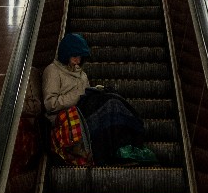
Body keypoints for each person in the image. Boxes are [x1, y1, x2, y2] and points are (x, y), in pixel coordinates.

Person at [42, 33, 154, 165]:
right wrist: (79, 95)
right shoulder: (53, 71)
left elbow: (86, 95)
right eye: (74, 56)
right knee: (110, 105)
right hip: (65, 116)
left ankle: (127, 146)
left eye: (80, 57)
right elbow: (50, 104)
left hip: (82, 110)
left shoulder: (81, 74)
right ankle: (114, 152)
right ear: (65, 54)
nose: (77, 61)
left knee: (114, 100)